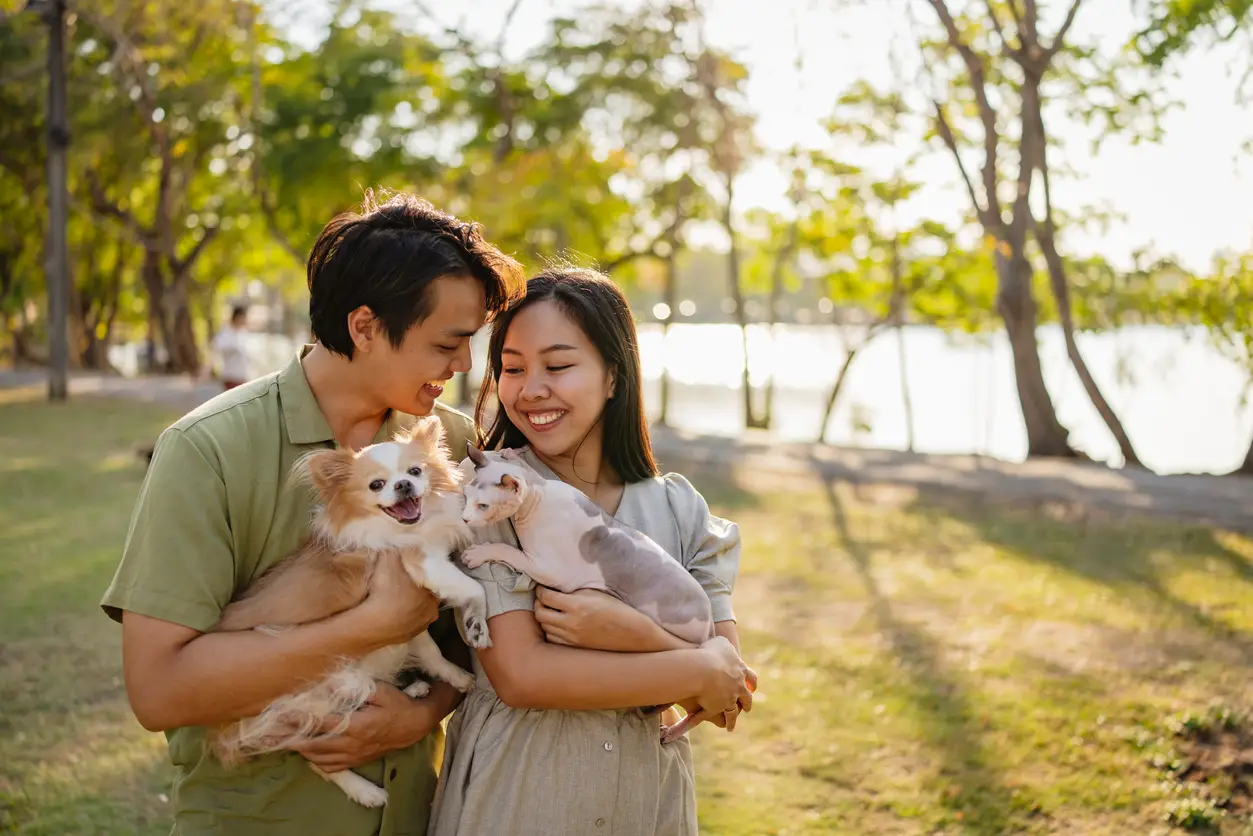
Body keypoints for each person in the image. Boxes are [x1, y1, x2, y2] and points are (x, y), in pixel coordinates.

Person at [100, 192, 524, 836]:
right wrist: (369, 624)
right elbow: (158, 692)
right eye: (449, 341)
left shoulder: (451, 446)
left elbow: (475, 637)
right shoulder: (206, 451)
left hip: (416, 817)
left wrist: (422, 711)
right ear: (364, 327)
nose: (464, 363)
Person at [428, 268, 755, 836]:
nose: (530, 389)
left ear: (613, 375)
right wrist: (690, 666)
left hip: (647, 805)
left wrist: (632, 634)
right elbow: (524, 676)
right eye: (512, 368)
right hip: (519, 796)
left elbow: (725, 694)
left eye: (558, 366)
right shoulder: (492, 495)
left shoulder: (682, 510)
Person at [211, 305, 251, 390]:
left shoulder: (243, 333)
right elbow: (218, 349)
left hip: (242, 376)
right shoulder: (226, 333)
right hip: (231, 376)